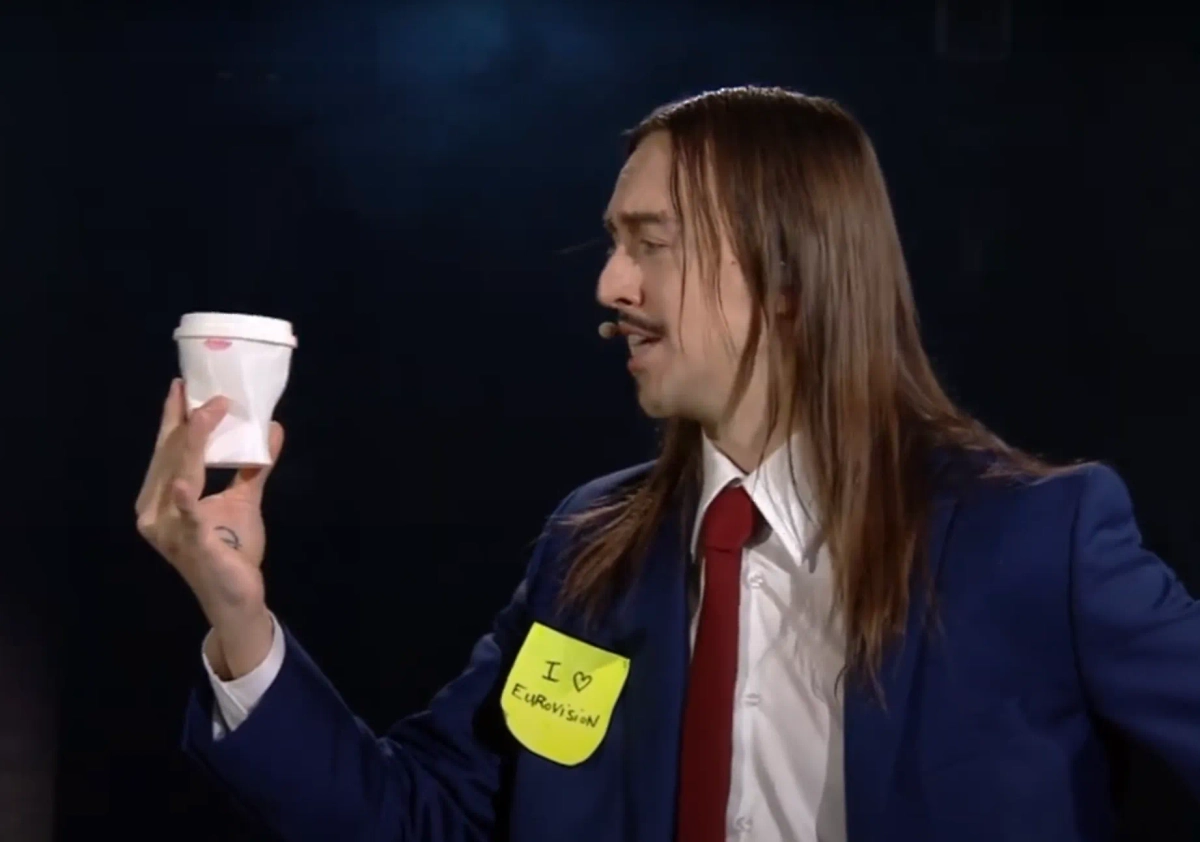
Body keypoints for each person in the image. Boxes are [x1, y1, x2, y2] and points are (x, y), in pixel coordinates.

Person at [135, 86, 1200, 842]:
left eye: (652, 242)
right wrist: (239, 621)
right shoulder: (588, 558)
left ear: (789, 276)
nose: (610, 283)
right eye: (615, 242)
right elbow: (425, 817)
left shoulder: (1036, 541)